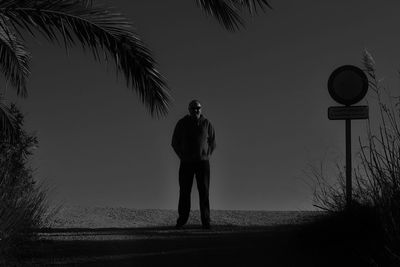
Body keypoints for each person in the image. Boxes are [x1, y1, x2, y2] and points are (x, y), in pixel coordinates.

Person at [171, 100, 216, 229]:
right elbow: (174, 142)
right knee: (185, 191)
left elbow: (213, 141)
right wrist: (182, 155)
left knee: (204, 191)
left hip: (203, 163)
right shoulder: (182, 123)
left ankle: (206, 221)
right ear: (189, 110)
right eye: (194, 108)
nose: (196, 110)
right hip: (186, 163)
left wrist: (206, 154)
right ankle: (182, 220)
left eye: (198, 108)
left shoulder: (206, 123)